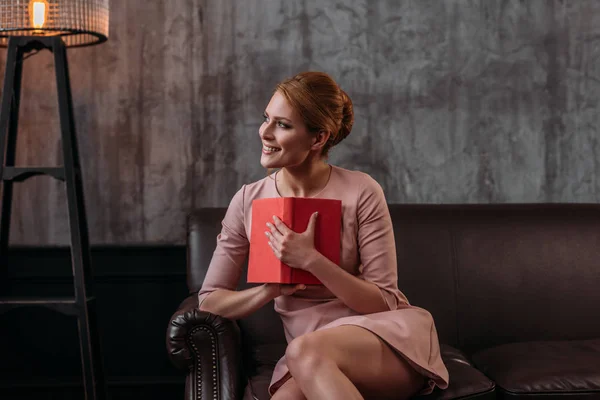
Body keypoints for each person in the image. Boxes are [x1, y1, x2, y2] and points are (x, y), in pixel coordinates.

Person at [197, 71, 449, 400]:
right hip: (308, 353)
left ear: (318, 139)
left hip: (381, 343)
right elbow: (210, 300)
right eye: (266, 119)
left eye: (283, 125)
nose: (265, 133)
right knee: (298, 369)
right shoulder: (248, 200)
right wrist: (269, 290)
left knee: (305, 352)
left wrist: (311, 260)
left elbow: (384, 302)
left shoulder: (361, 190)